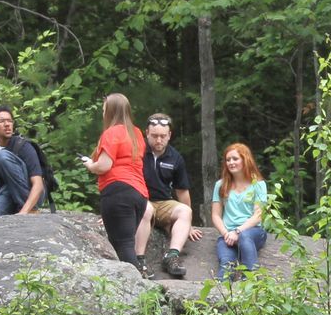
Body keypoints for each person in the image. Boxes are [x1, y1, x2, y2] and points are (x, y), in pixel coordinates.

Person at [82, 93, 150, 273]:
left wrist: (90, 165)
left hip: (118, 191)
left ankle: (139, 293)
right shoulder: (136, 133)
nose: (102, 113)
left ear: (110, 112)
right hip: (139, 194)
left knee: (123, 246)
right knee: (127, 242)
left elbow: (104, 165)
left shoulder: (111, 133)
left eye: (104, 109)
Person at [137, 111, 202, 277]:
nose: (159, 140)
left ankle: (171, 257)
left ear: (169, 135)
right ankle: (139, 260)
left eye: (163, 136)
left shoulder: (175, 157)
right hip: (141, 201)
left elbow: (182, 190)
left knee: (185, 211)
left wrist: (189, 224)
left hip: (164, 202)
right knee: (146, 209)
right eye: (155, 136)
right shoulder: (136, 151)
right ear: (146, 133)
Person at [0, 107, 51, 220]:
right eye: (1, 121)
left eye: (10, 121)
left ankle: (29, 208)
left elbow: (38, 184)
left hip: (31, 193)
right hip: (7, 192)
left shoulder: (23, 146)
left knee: (2, 156)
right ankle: (15, 205)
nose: (7, 124)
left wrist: (25, 211)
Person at [209, 142, 269, 282]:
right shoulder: (220, 184)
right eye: (228, 160)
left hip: (252, 231)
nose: (231, 162)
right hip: (228, 234)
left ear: (245, 159)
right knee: (226, 264)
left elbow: (258, 215)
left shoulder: (258, 184)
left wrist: (237, 231)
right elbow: (215, 215)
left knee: (244, 237)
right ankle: (221, 295)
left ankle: (250, 279)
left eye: (235, 159)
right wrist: (226, 234)